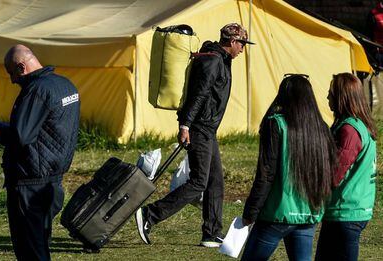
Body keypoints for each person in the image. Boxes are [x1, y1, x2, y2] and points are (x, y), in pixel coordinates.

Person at [135, 23, 254, 247]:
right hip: (199, 128)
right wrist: (186, 125)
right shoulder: (213, 62)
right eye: (242, 44)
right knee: (199, 181)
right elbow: (198, 95)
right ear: (231, 42)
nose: (243, 49)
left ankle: (211, 233)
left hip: (207, 129)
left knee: (215, 181)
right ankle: (149, 215)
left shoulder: (221, 59)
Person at [0, 44, 80, 260]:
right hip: (52, 181)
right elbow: (45, 129)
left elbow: (21, 136)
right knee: (40, 244)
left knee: (30, 252)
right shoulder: (65, 85)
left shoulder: (36, 90)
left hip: (29, 184)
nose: (12, 80)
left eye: (11, 73)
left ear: (21, 67)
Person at [241, 74, 337, 261]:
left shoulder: (276, 123)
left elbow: (266, 173)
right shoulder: (321, 127)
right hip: (309, 213)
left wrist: (251, 211)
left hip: (277, 214)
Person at [315, 73, 377, 261]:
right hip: (350, 209)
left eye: (331, 93)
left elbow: (336, 171)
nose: (327, 97)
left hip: (346, 212)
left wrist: (311, 191)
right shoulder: (358, 124)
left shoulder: (349, 129)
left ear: (341, 97)